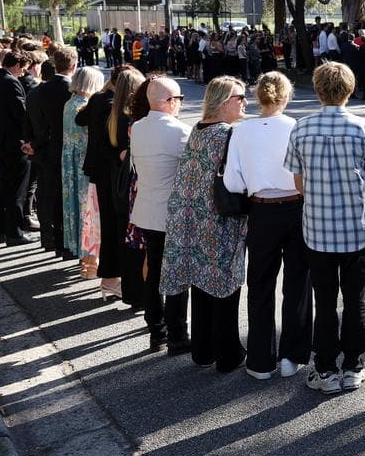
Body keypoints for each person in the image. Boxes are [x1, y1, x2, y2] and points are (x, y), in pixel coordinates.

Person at [286, 62, 365, 393]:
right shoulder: (361, 128)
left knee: (324, 300)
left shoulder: (301, 128)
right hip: (355, 227)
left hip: (317, 228)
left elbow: (297, 181)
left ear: (317, 89)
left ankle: (324, 367)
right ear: (350, 90)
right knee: (355, 298)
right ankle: (353, 363)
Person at [222, 72, 311, 381]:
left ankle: (260, 359)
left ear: (258, 97)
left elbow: (232, 181)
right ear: (286, 97)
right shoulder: (296, 128)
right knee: (297, 283)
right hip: (296, 206)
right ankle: (292, 355)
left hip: (261, 209)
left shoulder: (240, 131)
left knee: (260, 283)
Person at [159, 76, 248, 371]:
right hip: (218, 219)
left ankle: (203, 349)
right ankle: (228, 354)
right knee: (224, 285)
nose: (245, 103)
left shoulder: (198, 129)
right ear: (224, 102)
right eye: (240, 97)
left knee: (202, 284)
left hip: (191, 218)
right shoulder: (228, 134)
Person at [130, 77, 193, 355]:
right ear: (169, 102)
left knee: (155, 270)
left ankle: (157, 330)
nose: (180, 104)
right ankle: (177, 334)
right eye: (179, 99)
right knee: (176, 274)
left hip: (147, 208)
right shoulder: (180, 131)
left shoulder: (138, 127)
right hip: (172, 212)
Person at [83, 66, 142, 305]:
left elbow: (83, 121)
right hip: (117, 178)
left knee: (110, 227)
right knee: (121, 230)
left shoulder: (100, 101)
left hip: (104, 174)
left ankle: (109, 276)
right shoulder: (122, 113)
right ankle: (113, 278)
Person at [27, 46, 76, 256]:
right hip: (62, 151)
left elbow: (31, 121)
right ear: (73, 66)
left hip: (42, 151)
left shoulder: (38, 90)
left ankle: (49, 239)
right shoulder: (71, 91)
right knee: (63, 200)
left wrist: (32, 143)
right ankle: (64, 243)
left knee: (47, 198)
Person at [0, 49, 37, 245]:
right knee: (17, 189)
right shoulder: (11, 82)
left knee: (5, 188)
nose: (23, 73)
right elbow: (21, 113)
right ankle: (14, 232)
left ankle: (3, 230)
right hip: (13, 143)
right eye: (23, 69)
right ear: (16, 65)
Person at [61, 67, 106, 280]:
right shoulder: (85, 107)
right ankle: (90, 263)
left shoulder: (69, 103)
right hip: (83, 164)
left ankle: (84, 260)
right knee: (89, 211)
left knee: (76, 210)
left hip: (69, 164)